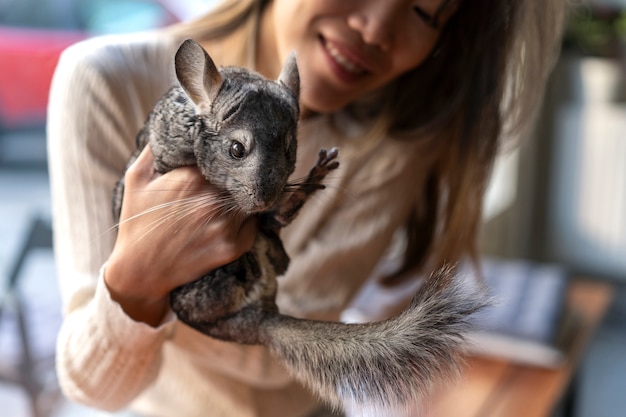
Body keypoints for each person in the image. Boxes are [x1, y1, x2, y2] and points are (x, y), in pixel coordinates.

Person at [46, 0, 566, 416]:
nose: (377, 28)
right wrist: (137, 278)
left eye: (428, 11)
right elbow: (92, 383)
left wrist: (161, 304)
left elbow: (282, 355)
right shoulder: (102, 82)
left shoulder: (396, 141)